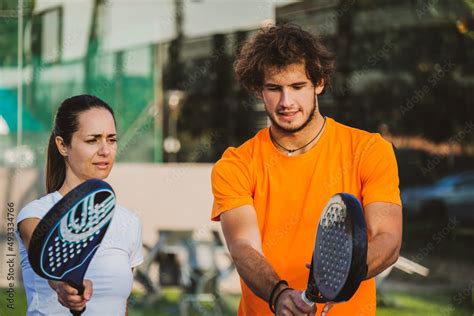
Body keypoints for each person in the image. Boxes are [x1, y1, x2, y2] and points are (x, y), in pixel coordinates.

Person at [210, 24, 402, 316]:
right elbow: (242, 246)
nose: (287, 102)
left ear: (319, 83)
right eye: (274, 88)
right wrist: (279, 294)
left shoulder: (369, 150)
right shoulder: (235, 164)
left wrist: (342, 276)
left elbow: (388, 240)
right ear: (258, 89)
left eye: (297, 87)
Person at [16, 95, 143, 315]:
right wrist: (63, 287)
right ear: (63, 145)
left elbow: (121, 306)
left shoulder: (129, 222)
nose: (105, 150)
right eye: (92, 140)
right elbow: (49, 265)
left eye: (111, 139)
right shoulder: (34, 214)